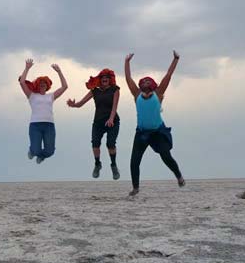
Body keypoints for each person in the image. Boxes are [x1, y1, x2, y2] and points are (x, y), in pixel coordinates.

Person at [124, 51, 185, 196]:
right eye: (143, 81)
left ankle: (179, 177)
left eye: (147, 81)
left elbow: (168, 76)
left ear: (152, 84)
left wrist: (175, 59)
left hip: (158, 131)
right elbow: (128, 78)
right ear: (140, 85)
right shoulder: (136, 94)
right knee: (134, 161)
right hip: (141, 133)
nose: (145, 82)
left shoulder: (158, 93)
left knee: (165, 155)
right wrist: (127, 62)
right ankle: (136, 188)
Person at [67, 69, 121, 179]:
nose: (104, 79)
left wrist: (111, 119)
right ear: (99, 80)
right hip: (98, 122)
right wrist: (73, 105)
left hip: (113, 121)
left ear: (110, 79)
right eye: (102, 77)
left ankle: (114, 165)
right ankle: (97, 164)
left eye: (107, 77)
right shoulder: (94, 91)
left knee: (110, 144)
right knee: (95, 144)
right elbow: (81, 103)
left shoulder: (115, 90)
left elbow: (115, 106)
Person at [19, 59, 68, 164]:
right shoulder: (31, 95)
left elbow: (65, 87)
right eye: (40, 83)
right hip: (35, 125)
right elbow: (22, 82)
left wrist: (59, 72)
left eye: (44, 83)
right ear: (37, 85)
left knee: (50, 151)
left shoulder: (51, 96)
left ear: (47, 85)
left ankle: (42, 156)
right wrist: (27, 68)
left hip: (49, 126)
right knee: (36, 150)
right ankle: (32, 151)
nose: (42, 84)